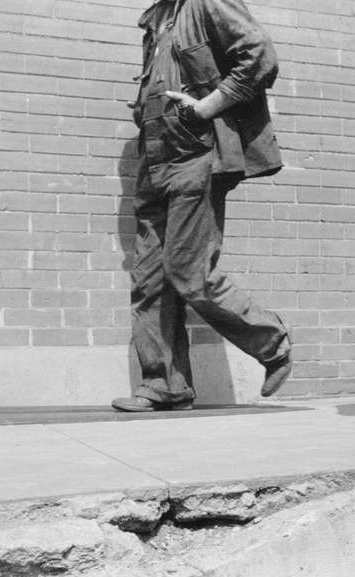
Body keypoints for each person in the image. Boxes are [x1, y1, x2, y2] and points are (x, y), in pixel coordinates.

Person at [112, 0, 291, 412]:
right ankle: (165, 384)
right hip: (155, 158)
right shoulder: (156, 19)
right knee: (149, 279)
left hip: (197, 154)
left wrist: (209, 105)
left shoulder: (207, 2)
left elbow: (259, 54)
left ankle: (271, 341)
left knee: (189, 270)